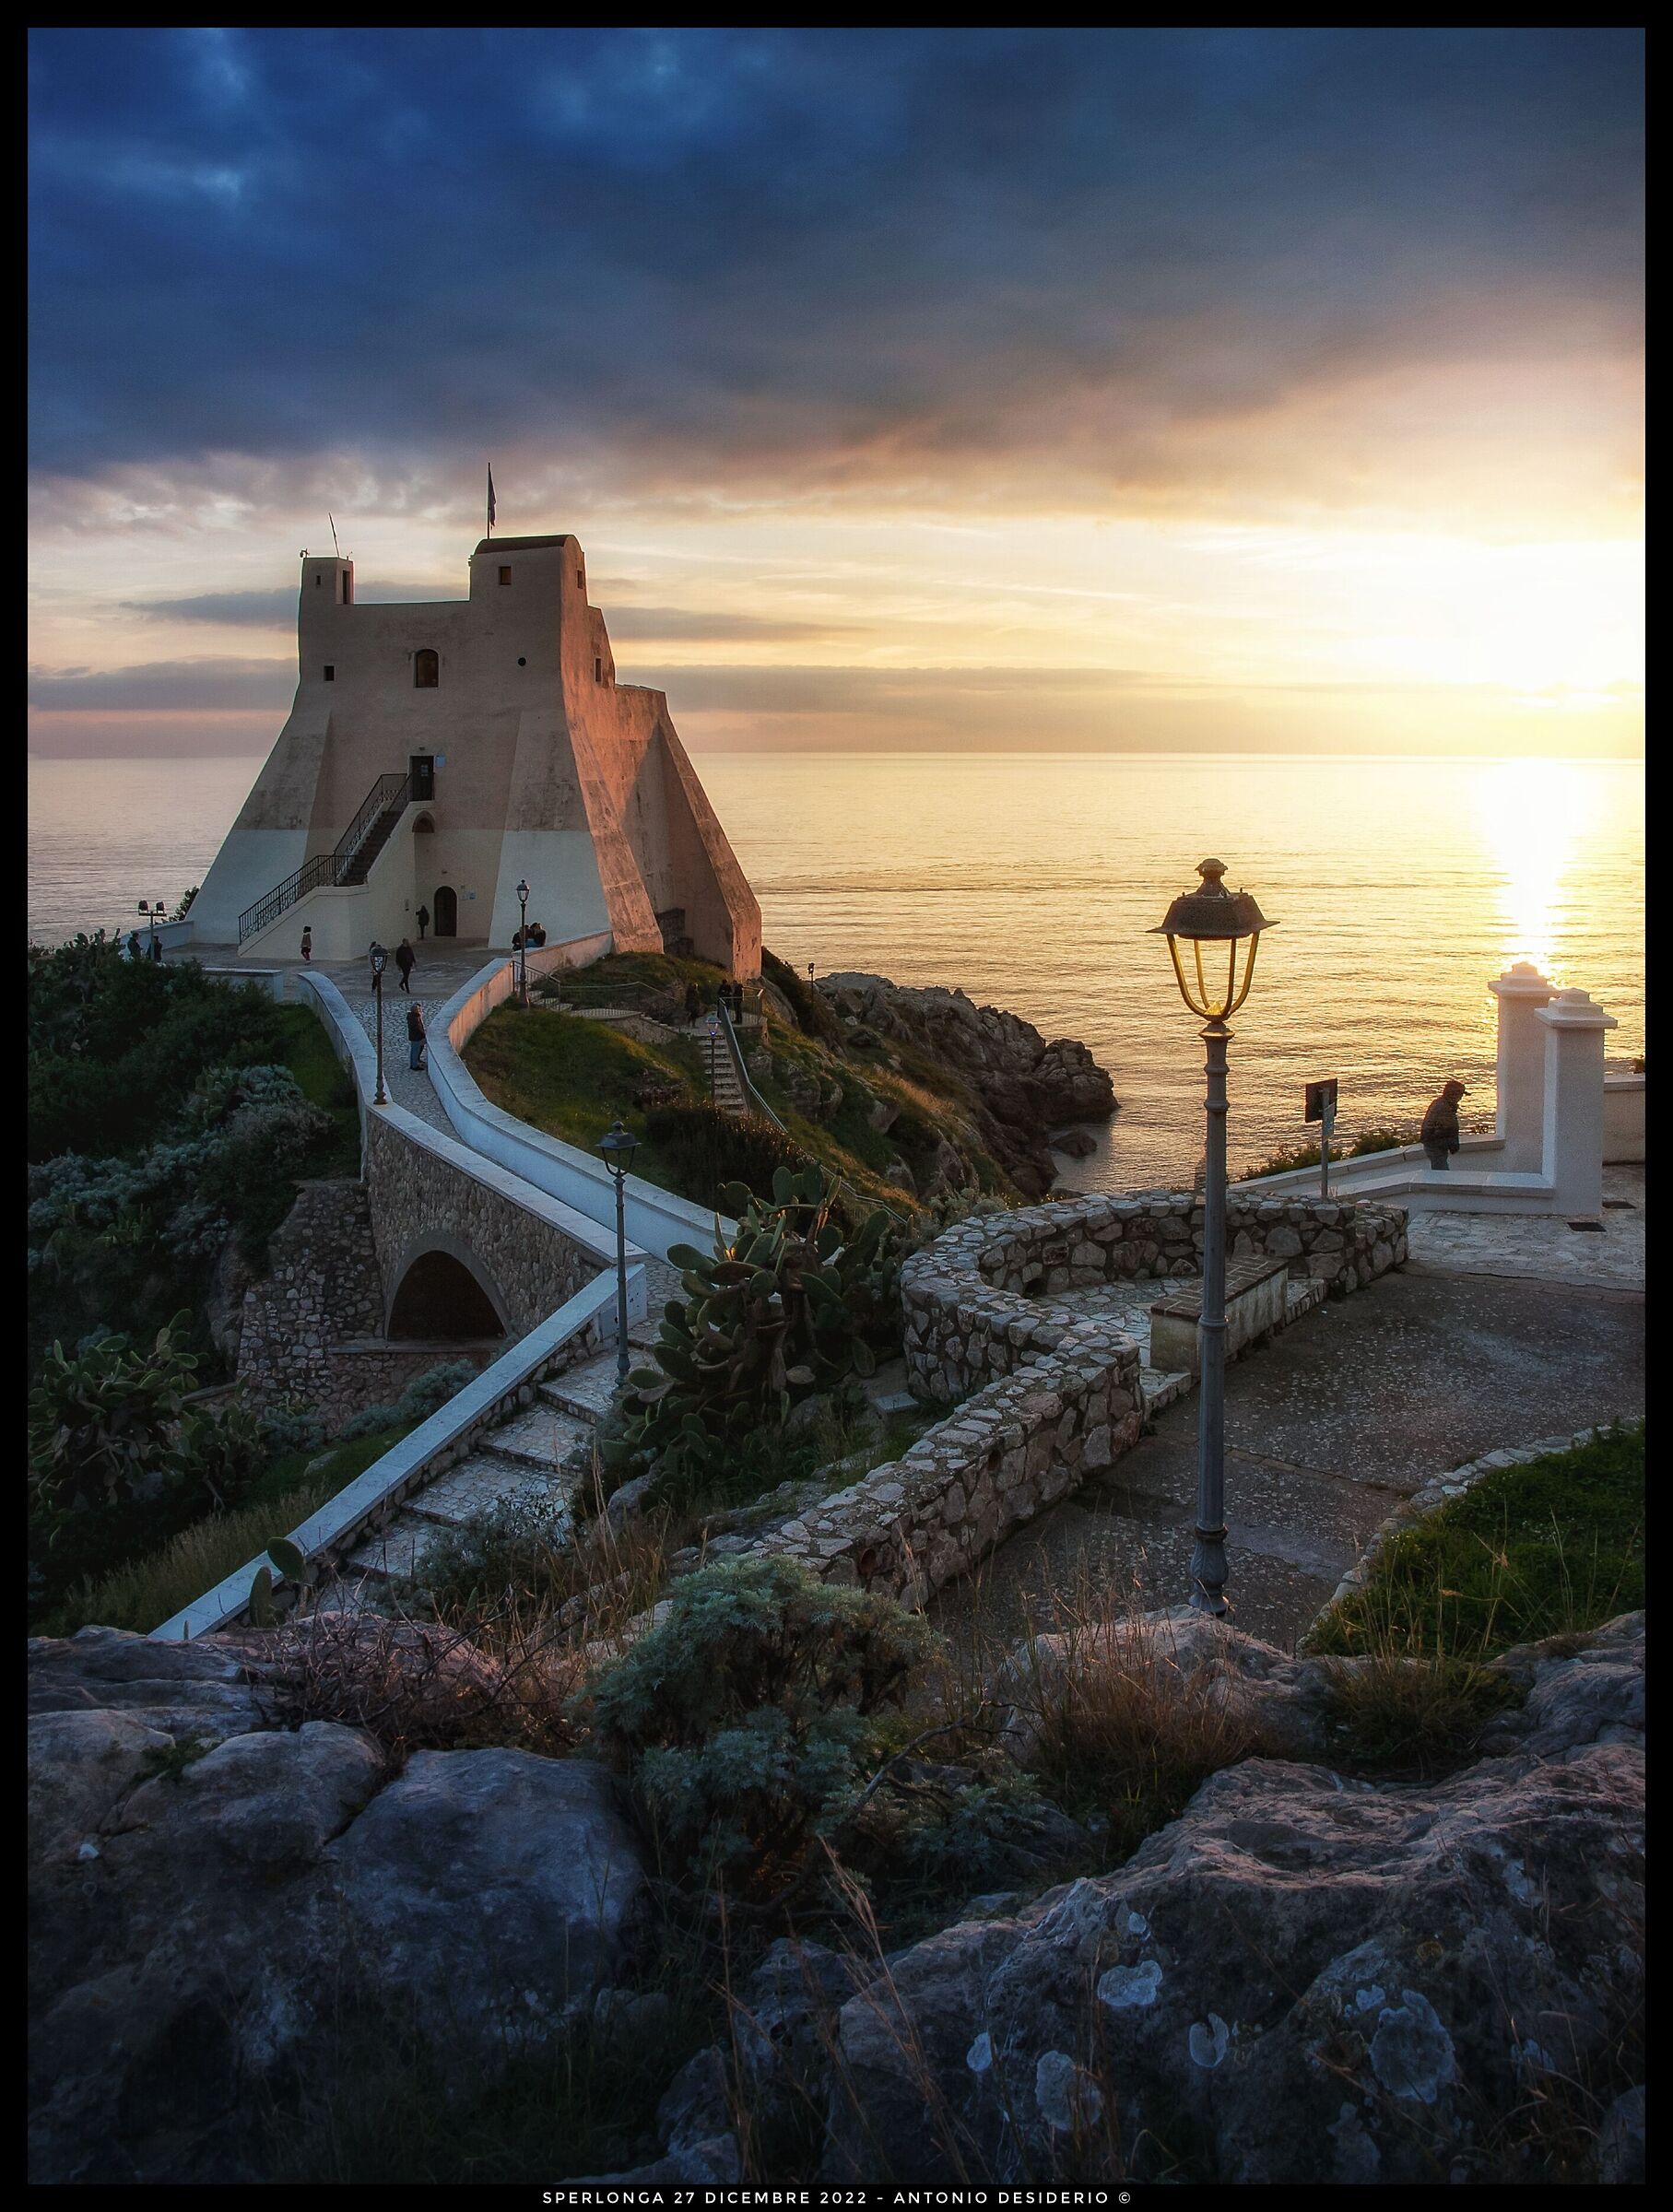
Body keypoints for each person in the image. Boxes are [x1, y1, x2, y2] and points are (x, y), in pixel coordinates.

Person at [1420, 1079, 1467, 1170]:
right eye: (1460, 1094)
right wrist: (1453, 1145)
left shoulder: (1440, 1103)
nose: (1461, 1097)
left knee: (1440, 1168)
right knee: (1441, 1172)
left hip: (1435, 1144)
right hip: (1435, 1146)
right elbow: (1447, 1129)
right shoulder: (1444, 1108)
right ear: (1453, 1095)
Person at [406, 1000, 427, 1071]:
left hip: (414, 1036)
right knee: (415, 1051)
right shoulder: (415, 1018)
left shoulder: (413, 1017)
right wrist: (423, 1035)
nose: (420, 1010)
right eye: (418, 1009)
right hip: (416, 1037)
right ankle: (414, 1066)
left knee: (414, 1050)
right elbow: (418, 1028)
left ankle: (414, 1063)